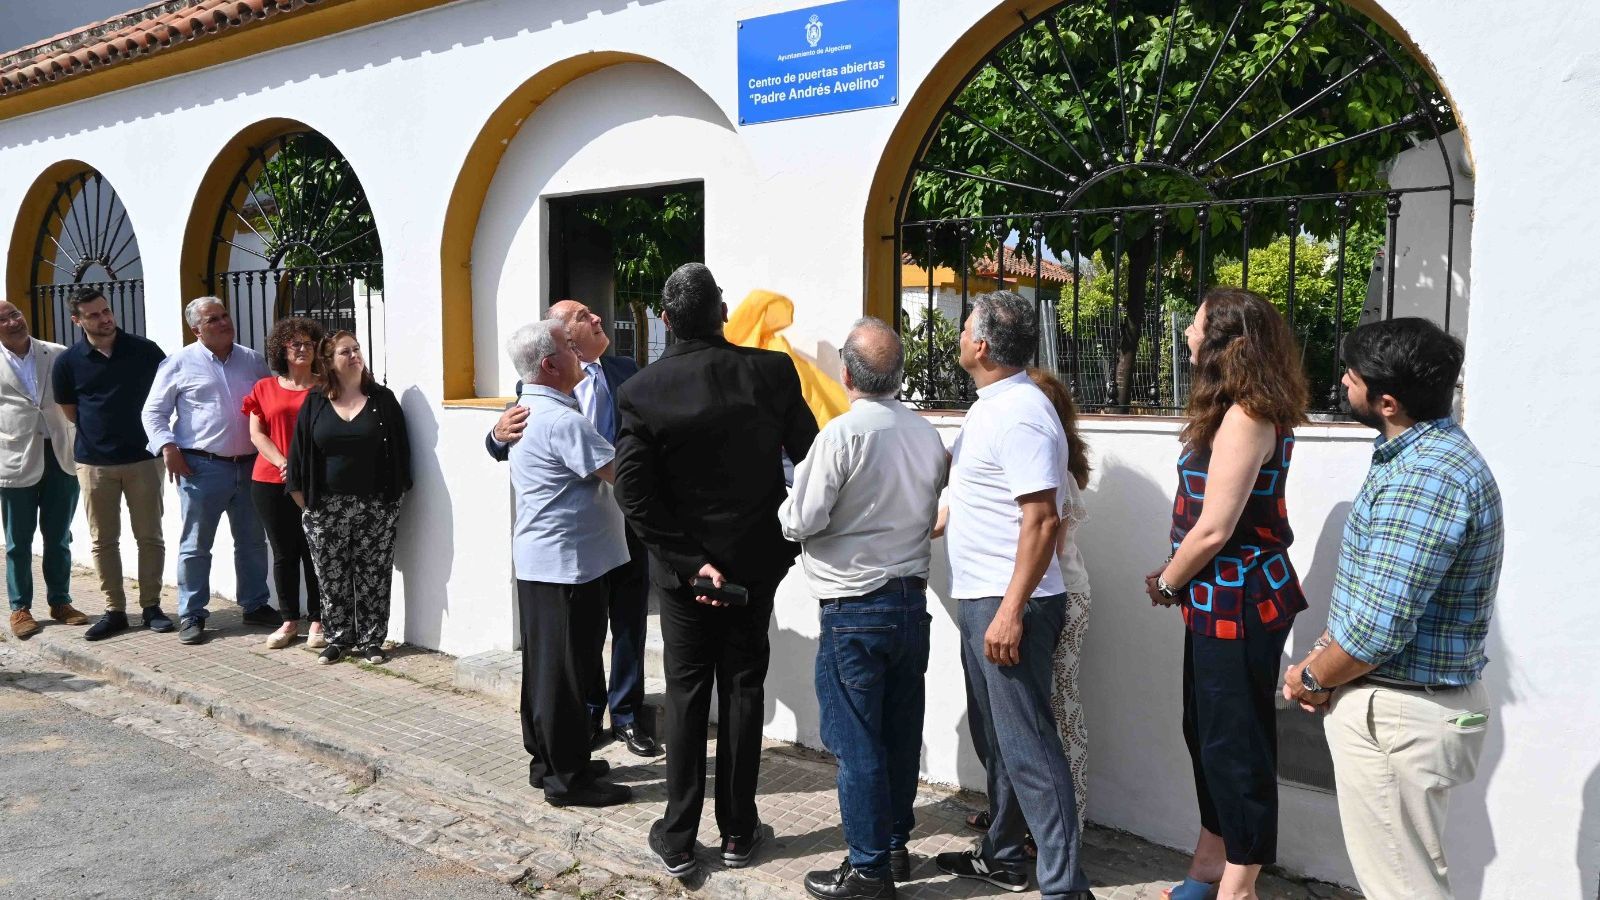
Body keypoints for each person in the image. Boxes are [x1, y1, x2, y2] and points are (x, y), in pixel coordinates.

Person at [1282, 318, 1502, 900]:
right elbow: (1370, 594)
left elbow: (1380, 626)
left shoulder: (1425, 477)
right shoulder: (1414, 457)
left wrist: (1309, 677)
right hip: (1402, 708)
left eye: (1352, 374)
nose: (1343, 380)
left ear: (1386, 401)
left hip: (1399, 715)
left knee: (1403, 889)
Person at [615, 262, 818, 878]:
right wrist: (783, 548)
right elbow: (811, 462)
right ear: (722, 313)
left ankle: (678, 836)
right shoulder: (771, 373)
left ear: (668, 320)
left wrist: (687, 561)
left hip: (684, 577)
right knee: (742, 689)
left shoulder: (643, 390)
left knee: (686, 695)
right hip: (754, 567)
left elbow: (634, 494)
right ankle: (736, 831)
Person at [1145, 287, 1309, 900]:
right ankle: (1211, 862)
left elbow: (1214, 528)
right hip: (1218, 600)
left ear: (1223, 342)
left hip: (1239, 600)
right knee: (1206, 732)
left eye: (1196, 323)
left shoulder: (1246, 416)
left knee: (1235, 742)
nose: (1187, 332)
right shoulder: (1236, 409)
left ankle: (1240, 885)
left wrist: (1167, 581)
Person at [778, 317, 948, 900]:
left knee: (856, 741)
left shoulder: (841, 435)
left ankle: (870, 868)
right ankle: (894, 844)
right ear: (897, 375)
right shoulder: (926, 434)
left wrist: (786, 500)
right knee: (899, 732)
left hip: (854, 605)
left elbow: (802, 520)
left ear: (846, 372)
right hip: (908, 601)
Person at [935, 290, 1093, 900]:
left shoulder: (1021, 411)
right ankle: (1002, 853)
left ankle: (1065, 886)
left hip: (1010, 603)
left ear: (981, 343)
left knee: (1029, 746)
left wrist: (1008, 611)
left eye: (965, 326)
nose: (960, 335)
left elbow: (1042, 520)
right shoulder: (994, 406)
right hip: (984, 597)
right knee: (999, 740)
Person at [488, 298, 657, 756]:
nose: (598, 317)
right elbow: (510, 441)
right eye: (581, 318)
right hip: (572, 544)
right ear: (559, 340)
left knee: (628, 623)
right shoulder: (542, 393)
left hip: (627, 525)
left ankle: (626, 715)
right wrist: (495, 435)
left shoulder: (627, 370)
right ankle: (584, 718)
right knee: (580, 637)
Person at [502, 318, 633, 808]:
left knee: (546, 670)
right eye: (568, 346)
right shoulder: (562, 421)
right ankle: (567, 780)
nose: (578, 351)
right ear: (550, 364)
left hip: (548, 562)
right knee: (566, 674)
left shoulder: (529, 410)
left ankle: (551, 760)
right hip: (566, 565)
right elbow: (620, 473)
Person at [141, 296, 276, 645]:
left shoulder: (252, 361)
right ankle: (192, 613)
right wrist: (167, 447)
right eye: (212, 319)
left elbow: (268, 406)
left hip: (249, 466)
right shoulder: (179, 363)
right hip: (201, 467)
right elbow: (153, 412)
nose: (223, 323)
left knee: (251, 541)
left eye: (225, 315)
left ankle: (255, 605)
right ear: (196, 329)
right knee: (195, 545)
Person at [50, 288, 171, 639]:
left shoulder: (145, 351)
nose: (104, 319)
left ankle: (151, 606)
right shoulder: (68, 362)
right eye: (94, 315)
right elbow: (71, 411)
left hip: (144, 459)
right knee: (103, 540)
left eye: (106, 311)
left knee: (150, 536)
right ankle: (114, 610)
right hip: (94, 463)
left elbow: (164, 396)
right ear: (78, 320)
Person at [285, 331, 410, 666]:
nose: (354, 356)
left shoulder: (382, 400)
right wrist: (305, 503)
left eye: (356, 350)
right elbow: (298, 455)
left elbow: (401, 451)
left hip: (376, 505)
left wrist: (393, 500)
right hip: (326, 506)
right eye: (345, 352)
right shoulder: (315, 401)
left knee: (374, 573)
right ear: (330, 361)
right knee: (330, 575)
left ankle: (372, 641)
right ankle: (338, 639)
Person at [0, 300, 86, 639]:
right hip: (14, 458)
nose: (12, 322)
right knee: (17, 541)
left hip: (61, 455)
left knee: (59, 536)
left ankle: (61, 602)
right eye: (3, 319)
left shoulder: (58, 353)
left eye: (15, 314)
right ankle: (20, 607)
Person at [244, 317, 324, 650]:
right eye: (295, 344)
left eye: (308, 343)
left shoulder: (326, 386)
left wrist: (301, 469)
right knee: (284, 552)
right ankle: (289, 620)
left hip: (316, 481)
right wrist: (283, 463)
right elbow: (256, 433)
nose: (303, 348)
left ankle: (319, 620)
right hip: (269, 480)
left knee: (314, 551)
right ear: (282, 350)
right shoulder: (264, 387)